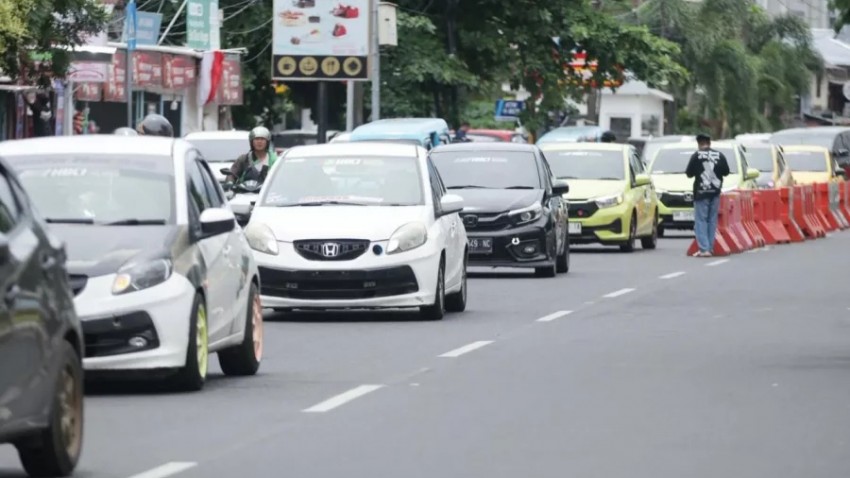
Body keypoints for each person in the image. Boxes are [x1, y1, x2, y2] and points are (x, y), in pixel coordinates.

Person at [685, 133, 730, 257]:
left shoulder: (696, 156)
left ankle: (704, 249)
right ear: (709, 143)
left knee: (701, 220)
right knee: (712, 221)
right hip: (715, 192)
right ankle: (709, 247)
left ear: (699, 144)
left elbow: (688, 173)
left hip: (701, 193)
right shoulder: (719, 155)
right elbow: (726, 172)